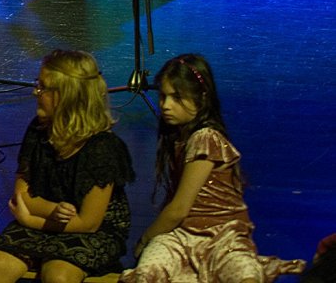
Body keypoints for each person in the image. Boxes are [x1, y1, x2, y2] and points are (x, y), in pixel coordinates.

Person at [122, 54, 305, 283]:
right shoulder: (178, 139)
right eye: (163, 96)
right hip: (182, 236)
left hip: (222, 236)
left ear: (202, 98)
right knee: (148, 271)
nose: (165, 105)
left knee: (244, 273)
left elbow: (178, 209)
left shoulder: (205, 138)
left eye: (177, 97)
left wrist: (145, 238)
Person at [0, 49, 136, 283]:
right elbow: (22, 196)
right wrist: (53, 210)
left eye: (42, 87)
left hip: (91, 231)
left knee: (58, 275)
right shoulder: (38, 130)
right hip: (48, 219)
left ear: (66, 95)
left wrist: (29, 220)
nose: (35, 92)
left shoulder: (103, 147)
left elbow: (88, 223)